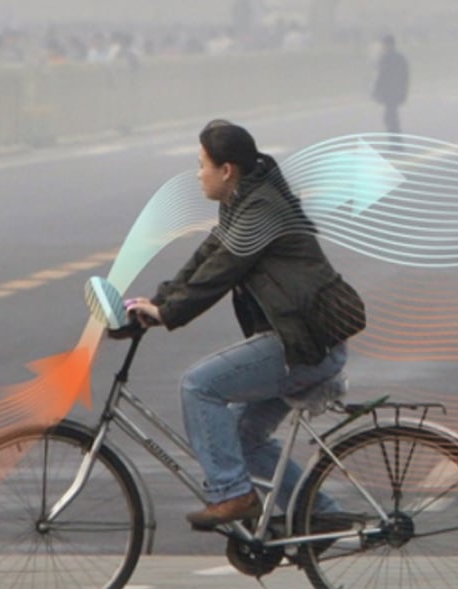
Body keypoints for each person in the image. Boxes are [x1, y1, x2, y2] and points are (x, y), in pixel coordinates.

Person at [125, 119, 363, 529]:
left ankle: (233, 495)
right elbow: (206, 258)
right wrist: (159, 302)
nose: (197, 174)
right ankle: (321, 516)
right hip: (301, 342)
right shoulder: (243, 202)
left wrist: (169, 313)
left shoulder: (261, 209)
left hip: (303, 346)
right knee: (240, 438)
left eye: (201, 164)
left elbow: (222, 269)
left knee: (199, 386)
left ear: (226, 170)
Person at [372, 34, 410, 152]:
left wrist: (376, 91)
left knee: (390, 118)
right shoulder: (400, 58)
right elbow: (405, 77)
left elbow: (381, 76)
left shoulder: (386, 58)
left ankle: (396, 145)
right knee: (391, 117)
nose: (383, 47)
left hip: (390, 93)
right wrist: (404, 92)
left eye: (384, 44)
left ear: (389, 45)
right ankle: (395, 143)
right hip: (395, 92)